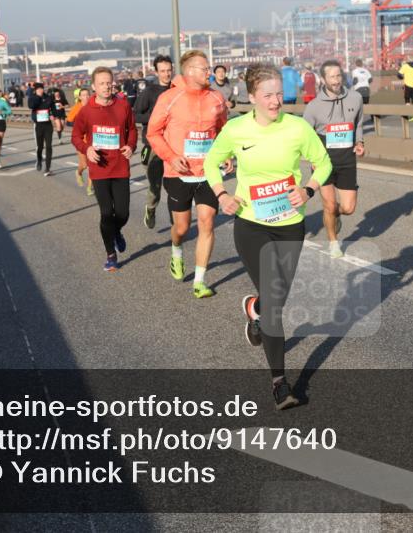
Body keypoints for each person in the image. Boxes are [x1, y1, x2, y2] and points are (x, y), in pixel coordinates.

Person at [204, 63, 332, 410]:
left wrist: (308, 189)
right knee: (276, 304)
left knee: (276, 296)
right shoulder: (235, 129)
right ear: (252, 97)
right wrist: (222, 195)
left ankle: (254, 307)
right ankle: (280, 383)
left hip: (290, 223)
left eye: (279, 94)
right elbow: (211, 162)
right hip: (251, 223)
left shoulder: (298, 127)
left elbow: (323, 163)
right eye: (268, 95)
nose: (276, 101)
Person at [146, 50, 231, 299]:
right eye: (205, 69)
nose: (210, 72)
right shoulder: (170, 98)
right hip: (178, 173)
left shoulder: (216, 98)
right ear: (190, 71)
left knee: (207, 221)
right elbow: (153, 133)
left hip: (207, 172)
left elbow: (223, 129)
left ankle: (200, 281)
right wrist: (171, 157)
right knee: (182, 228)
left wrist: (225, 154)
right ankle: (176, 249)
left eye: (210, 68)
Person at [71, 66, 137, 272]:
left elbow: (132, 129)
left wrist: (131, 146)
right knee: (107, 212)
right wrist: (87, 148)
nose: (107, 86)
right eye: (102, 83)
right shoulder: (86, 111)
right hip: (99, 168)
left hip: (120, 167)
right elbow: (75, 136)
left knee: (123, 213)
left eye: (109, 82)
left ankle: (116, 232)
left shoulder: (123, 106)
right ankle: (110, 254)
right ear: (93, 87)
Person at [303, 59, 364, 258]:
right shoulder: (313, 106)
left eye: (339, 76)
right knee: (329, 205)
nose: (337, 80)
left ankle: (334, 215)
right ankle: (333, 243)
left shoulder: (355, 98)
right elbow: (305, 135)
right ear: (323, 79)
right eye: (332, 77)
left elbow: (359, 123)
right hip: (323, 161)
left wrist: (360, 142)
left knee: (348, 208)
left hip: (347, 159)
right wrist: (312, 157)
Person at [133, 55, 173, 229]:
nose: (166, 74)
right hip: (153, 146)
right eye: (162, 71)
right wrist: (155, 117)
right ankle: (151, 208)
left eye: (169, 70)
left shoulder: (178, 90)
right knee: (155, 185)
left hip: (174, 145)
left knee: (175, 186)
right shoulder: (149, 92)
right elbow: (135, 115)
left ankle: (176, 220)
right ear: (156, 72)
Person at [67, 87, 94, 196]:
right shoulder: (76, 108)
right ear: (80, 97)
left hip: (93, 141)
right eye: (83, 95)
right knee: (84, 165)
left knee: (92, 166)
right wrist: (80, 126)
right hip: (81, 141)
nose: (86, 97)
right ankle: (78, 172)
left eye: (88, 95)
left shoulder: (93, 106)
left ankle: (89, 187)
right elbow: (68, 122)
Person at [29, 82, 55, 176]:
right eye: (38, 89)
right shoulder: (32, 98)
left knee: (49, 146)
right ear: (35, 90)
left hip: (48, 125)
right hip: (38, 125)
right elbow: (31, 106)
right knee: (40, 147)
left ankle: (47, 168)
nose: (40, 90)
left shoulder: (49, 97)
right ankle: (39, 160)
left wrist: (52, 115)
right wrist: (38, 97)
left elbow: (53, 109)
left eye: (41, 89)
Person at [398, 55, 413, 121]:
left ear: (407, 60)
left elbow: (399, 74)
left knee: (407, 100)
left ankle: (408, 115)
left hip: (407, 85)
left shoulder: (405, 66)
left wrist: (403, 77)